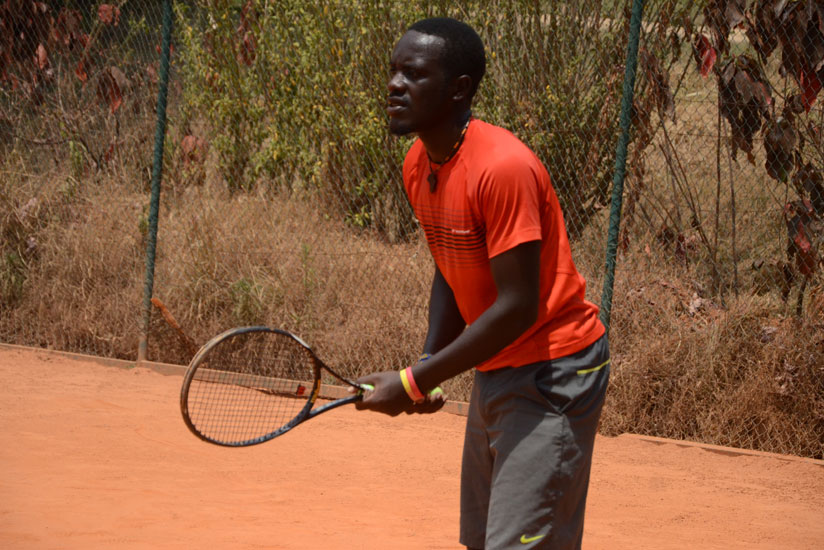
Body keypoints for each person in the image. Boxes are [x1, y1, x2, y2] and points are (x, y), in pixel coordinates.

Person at [355, 17, 610, 550]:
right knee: (483, 539)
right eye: (393, 71)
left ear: (459, 89)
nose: (395, 85)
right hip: (499, 366)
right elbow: (451, 266)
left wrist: (412, 380)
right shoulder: (417, 163)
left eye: (414, 74)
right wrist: (428, 366)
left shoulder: (503, 167)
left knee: (521, 544)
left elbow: (519, 307)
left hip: (553, 369)